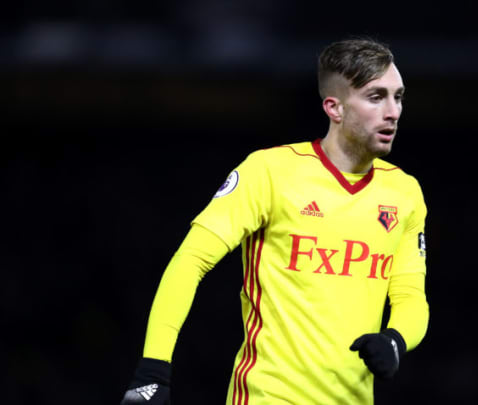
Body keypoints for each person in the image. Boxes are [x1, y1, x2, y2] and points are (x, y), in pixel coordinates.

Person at [120, 38, 430, 405]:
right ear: (335, 107)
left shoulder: (404, 192)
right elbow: (190, 261)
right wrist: (153, 370)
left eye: (398, 97)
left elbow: (410, 297)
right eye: (376, 97)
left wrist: (395, 339)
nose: (393, 111)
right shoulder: (270, 172)